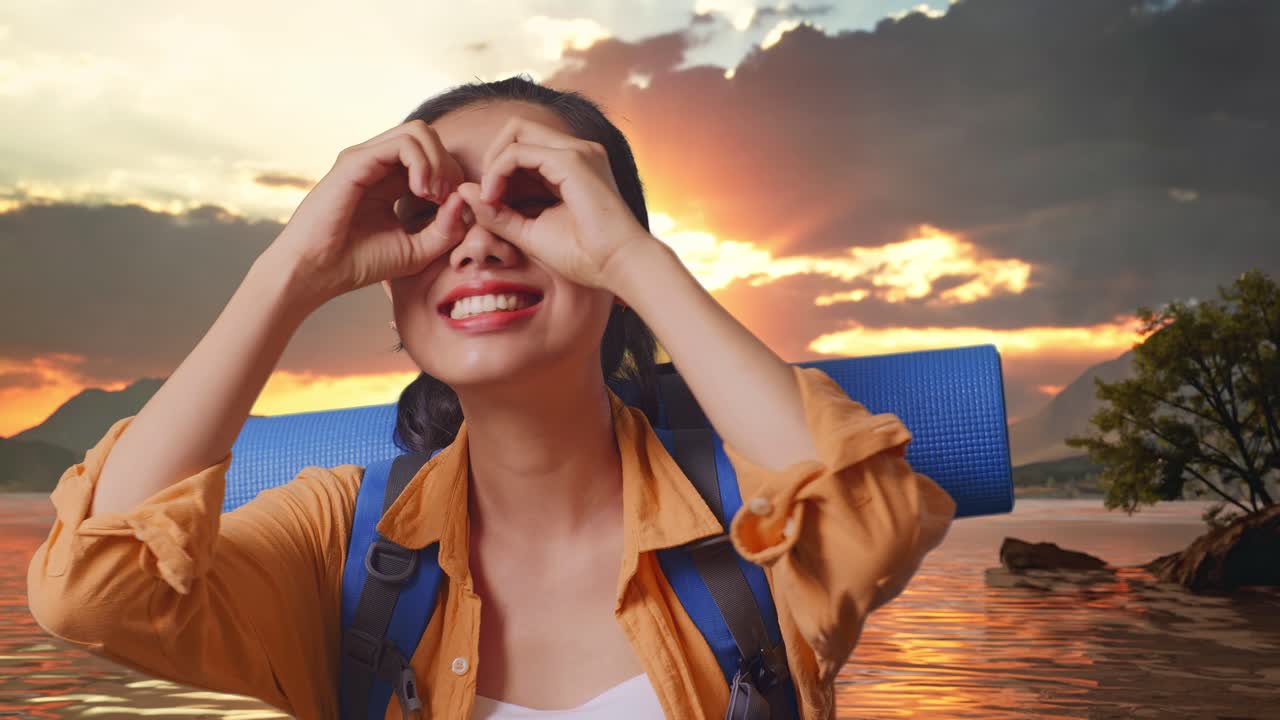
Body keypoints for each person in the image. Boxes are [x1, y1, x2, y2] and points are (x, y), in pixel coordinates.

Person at [25, 74, 957, 719]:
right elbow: (94, 596)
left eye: (533, 196)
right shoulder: (341, 540)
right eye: (428, 211)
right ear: (395, 294)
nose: (476, 239)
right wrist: (291, 271)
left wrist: (635, 259)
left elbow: (873, 518)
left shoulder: (750, 522)